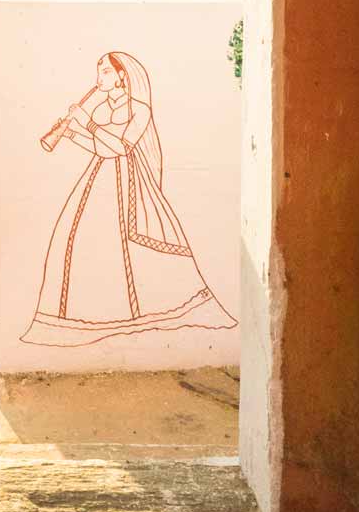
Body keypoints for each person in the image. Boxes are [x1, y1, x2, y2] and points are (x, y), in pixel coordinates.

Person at [21, 52, 236, 347]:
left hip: (129, 182)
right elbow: (101, 150)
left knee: (127, 245)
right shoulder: (100, 108)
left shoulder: (140, 109)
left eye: (107, 72)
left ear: (123, 76)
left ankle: (151, 311)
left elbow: (121, 147)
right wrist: (71, 133)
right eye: (100, 72)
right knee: (76, 239)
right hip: (99, 177)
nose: (101, 78)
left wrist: (88, 124)